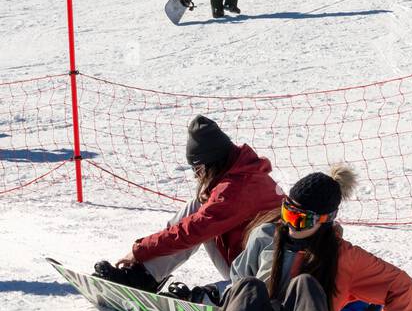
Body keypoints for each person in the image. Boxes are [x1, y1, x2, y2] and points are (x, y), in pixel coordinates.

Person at [141, 164, 412, 311]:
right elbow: (237, 288)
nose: (291, 224)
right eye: (287, 214)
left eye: (300, 219)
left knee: (305, 285)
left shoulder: (344, 256)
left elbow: (401, 287)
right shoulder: (265, 236)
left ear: (325, 220)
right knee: (248, 285)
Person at [93, 116, 283, 290]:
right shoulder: (246, 172)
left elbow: (192, 230)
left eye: (197, 170)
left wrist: (140, 251)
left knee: (196, 220)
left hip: (261, 279)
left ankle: (217, 295)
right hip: (254, 262)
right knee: (198, 206)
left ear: (209, 164)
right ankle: (144, 275)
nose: (197, 176)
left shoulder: (236, 189)